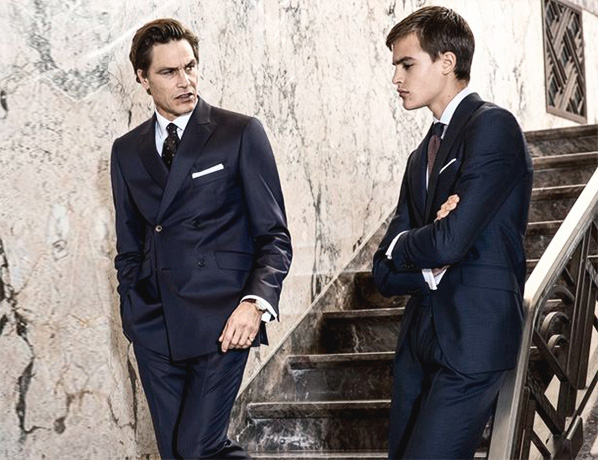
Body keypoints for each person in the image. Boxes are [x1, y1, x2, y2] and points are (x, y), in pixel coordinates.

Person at [110, 18, 292, 459]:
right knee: (177, 453)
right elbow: (129, 244)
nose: (185, 81)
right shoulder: (126, 150)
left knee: (197, 449)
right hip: (155, 325)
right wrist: (133, 309)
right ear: (143, 78)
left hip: (223, 320)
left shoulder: (239, 132)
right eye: (169, 72)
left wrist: (254, 305)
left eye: (190, 67)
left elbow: (274, 235)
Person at [372, 6, 533, 459]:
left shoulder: (493, 126)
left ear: (446, 61)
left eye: (407, 64)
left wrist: (408, 244)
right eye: (395, 67)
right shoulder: (419, 156)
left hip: (474, 336)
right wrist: (420, 250)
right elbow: (382, 270)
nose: (396, 78)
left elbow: (450, 241)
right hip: (418, 338)